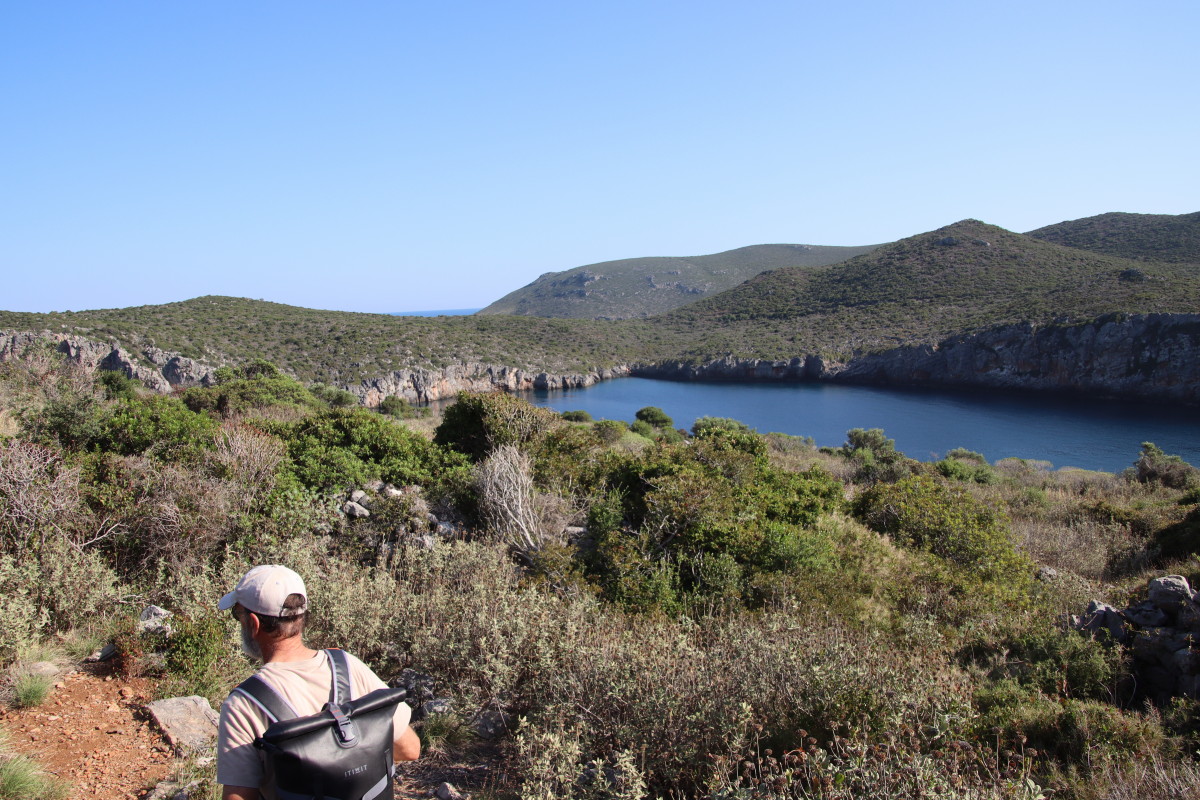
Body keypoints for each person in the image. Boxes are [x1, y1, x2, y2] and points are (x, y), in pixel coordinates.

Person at [215, 565, 420, 800]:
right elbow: (410, 748)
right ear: (302, 617)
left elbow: (239, 795)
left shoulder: (243, 704)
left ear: (254, 623)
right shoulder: (347, 666)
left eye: (238, 615)